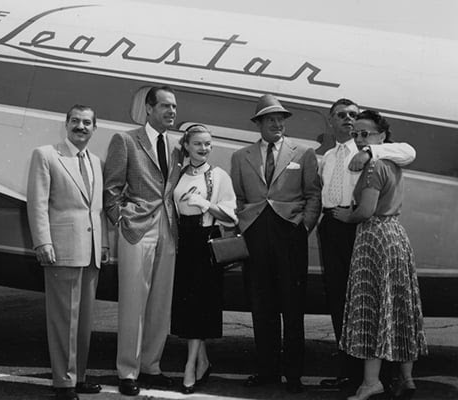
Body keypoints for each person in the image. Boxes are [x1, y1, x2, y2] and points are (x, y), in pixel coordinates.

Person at [318, 99, 416, 389]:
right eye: (342, 115)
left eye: (353, 115)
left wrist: (372, 149)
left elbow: (409, 151)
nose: (349, 120)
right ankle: (349, 372)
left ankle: (375, 375)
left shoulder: (369, 152)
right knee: (340, 299)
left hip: (357, 226)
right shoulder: (329, 156)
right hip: (332, 224)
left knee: (365, 302)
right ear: (331, 121)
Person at [230, 94, 321, 394]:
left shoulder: (304, 154)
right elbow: (239, 198)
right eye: (270, 119)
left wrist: (303, 227)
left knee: (292, 308)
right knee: (261, 306)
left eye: (281, 118)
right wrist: (245, 225)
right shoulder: (240, 156)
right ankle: (266, 370)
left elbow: (313, 196)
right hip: (256, 236)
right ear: (259, 124)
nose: (277, 123)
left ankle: (293, 374)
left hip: (290, 236)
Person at [103, 86, 183, 396]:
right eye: (165, 106)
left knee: (161, 304)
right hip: (137, 229)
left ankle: (151, 366)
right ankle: (128, 371)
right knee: (134, 302)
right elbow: (112, 189)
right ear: (148, 109)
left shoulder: (176, 147)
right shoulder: (125, 141)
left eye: (174, 107)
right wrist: (122, 221)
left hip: (169, 229)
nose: (172, 111)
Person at [27, 105, 108, 400]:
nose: (81, 127)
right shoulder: (47, 155)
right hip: (61, 249)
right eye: (75, 121)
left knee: (84, 321)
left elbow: (96, 210)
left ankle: (80, 376)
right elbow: (37, 203)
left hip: (91, 253)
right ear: (66, 124)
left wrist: (105, 244)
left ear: (94, 128)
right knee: (63, 320)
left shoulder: (96, 162)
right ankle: (63, 382)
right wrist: (43, 242)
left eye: (87, 122)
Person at [170, 124, 238, 394]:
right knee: (187, 306)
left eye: (208, 144)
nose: (204, 148)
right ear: (186, 146)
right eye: (198, 144)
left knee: (198, 307)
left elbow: (232, 216)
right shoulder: (178, 174)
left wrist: (205, 204)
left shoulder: (218, 176)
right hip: (182, 243)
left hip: (205, 242)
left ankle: (189, 367)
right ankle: (203, 360)